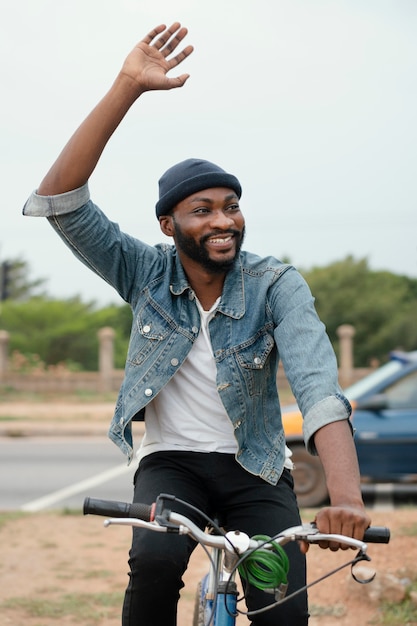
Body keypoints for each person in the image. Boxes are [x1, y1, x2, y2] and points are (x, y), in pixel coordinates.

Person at [23, 22, 371, 626]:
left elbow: (319, 389)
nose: (223, 221)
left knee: (283, 612)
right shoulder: (142, 271)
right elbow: (60, 199)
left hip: (257, 468)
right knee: (155, 564)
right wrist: (126, 87)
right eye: (202, 209)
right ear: (168, 224)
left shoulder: (277, 284)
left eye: (231, 206)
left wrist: (345, 500)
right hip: (171, 465)